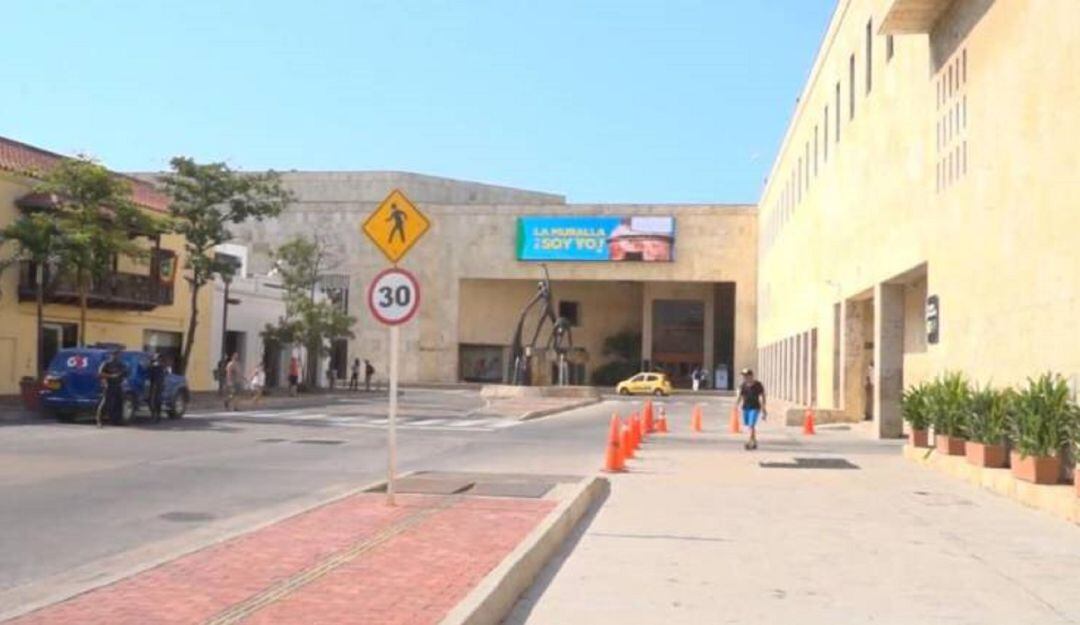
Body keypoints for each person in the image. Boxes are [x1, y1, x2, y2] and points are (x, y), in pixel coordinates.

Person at [735, 368, 767, 450]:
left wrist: (763, 408)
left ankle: (750, 442)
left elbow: (763, 395)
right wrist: (736, 405)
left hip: (755, 407)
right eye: (743, 376)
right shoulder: (743, 386)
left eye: (746, 376)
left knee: (751, 425)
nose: (744, 377)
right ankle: (754, 441)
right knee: (749, 425)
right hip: (746, 408)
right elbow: (740, 397)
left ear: (751, 376)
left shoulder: (758, 385)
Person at [98, 350, 128, 426]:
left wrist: (124, 379)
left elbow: (125, 373)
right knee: (105, 403)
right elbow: (100, 374)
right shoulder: (106, 364)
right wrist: (111, 376)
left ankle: (117, 421)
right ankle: (100, 421)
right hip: (109, 385)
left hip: (118, 385)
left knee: (119, 403)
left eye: (118, 355)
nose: (116, 357)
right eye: (114, 355)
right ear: (111, 355)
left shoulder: (121, 364)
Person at [147, 353, 166, 422]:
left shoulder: (159, 366)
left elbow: (150, 369)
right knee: (155, 400)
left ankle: (156, 416)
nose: (155, 359)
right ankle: (156, 416)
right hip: (156, 385)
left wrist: (151, 363)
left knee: (154, 401)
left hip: (156, 385)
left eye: (156, 358)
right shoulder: (159, 366)